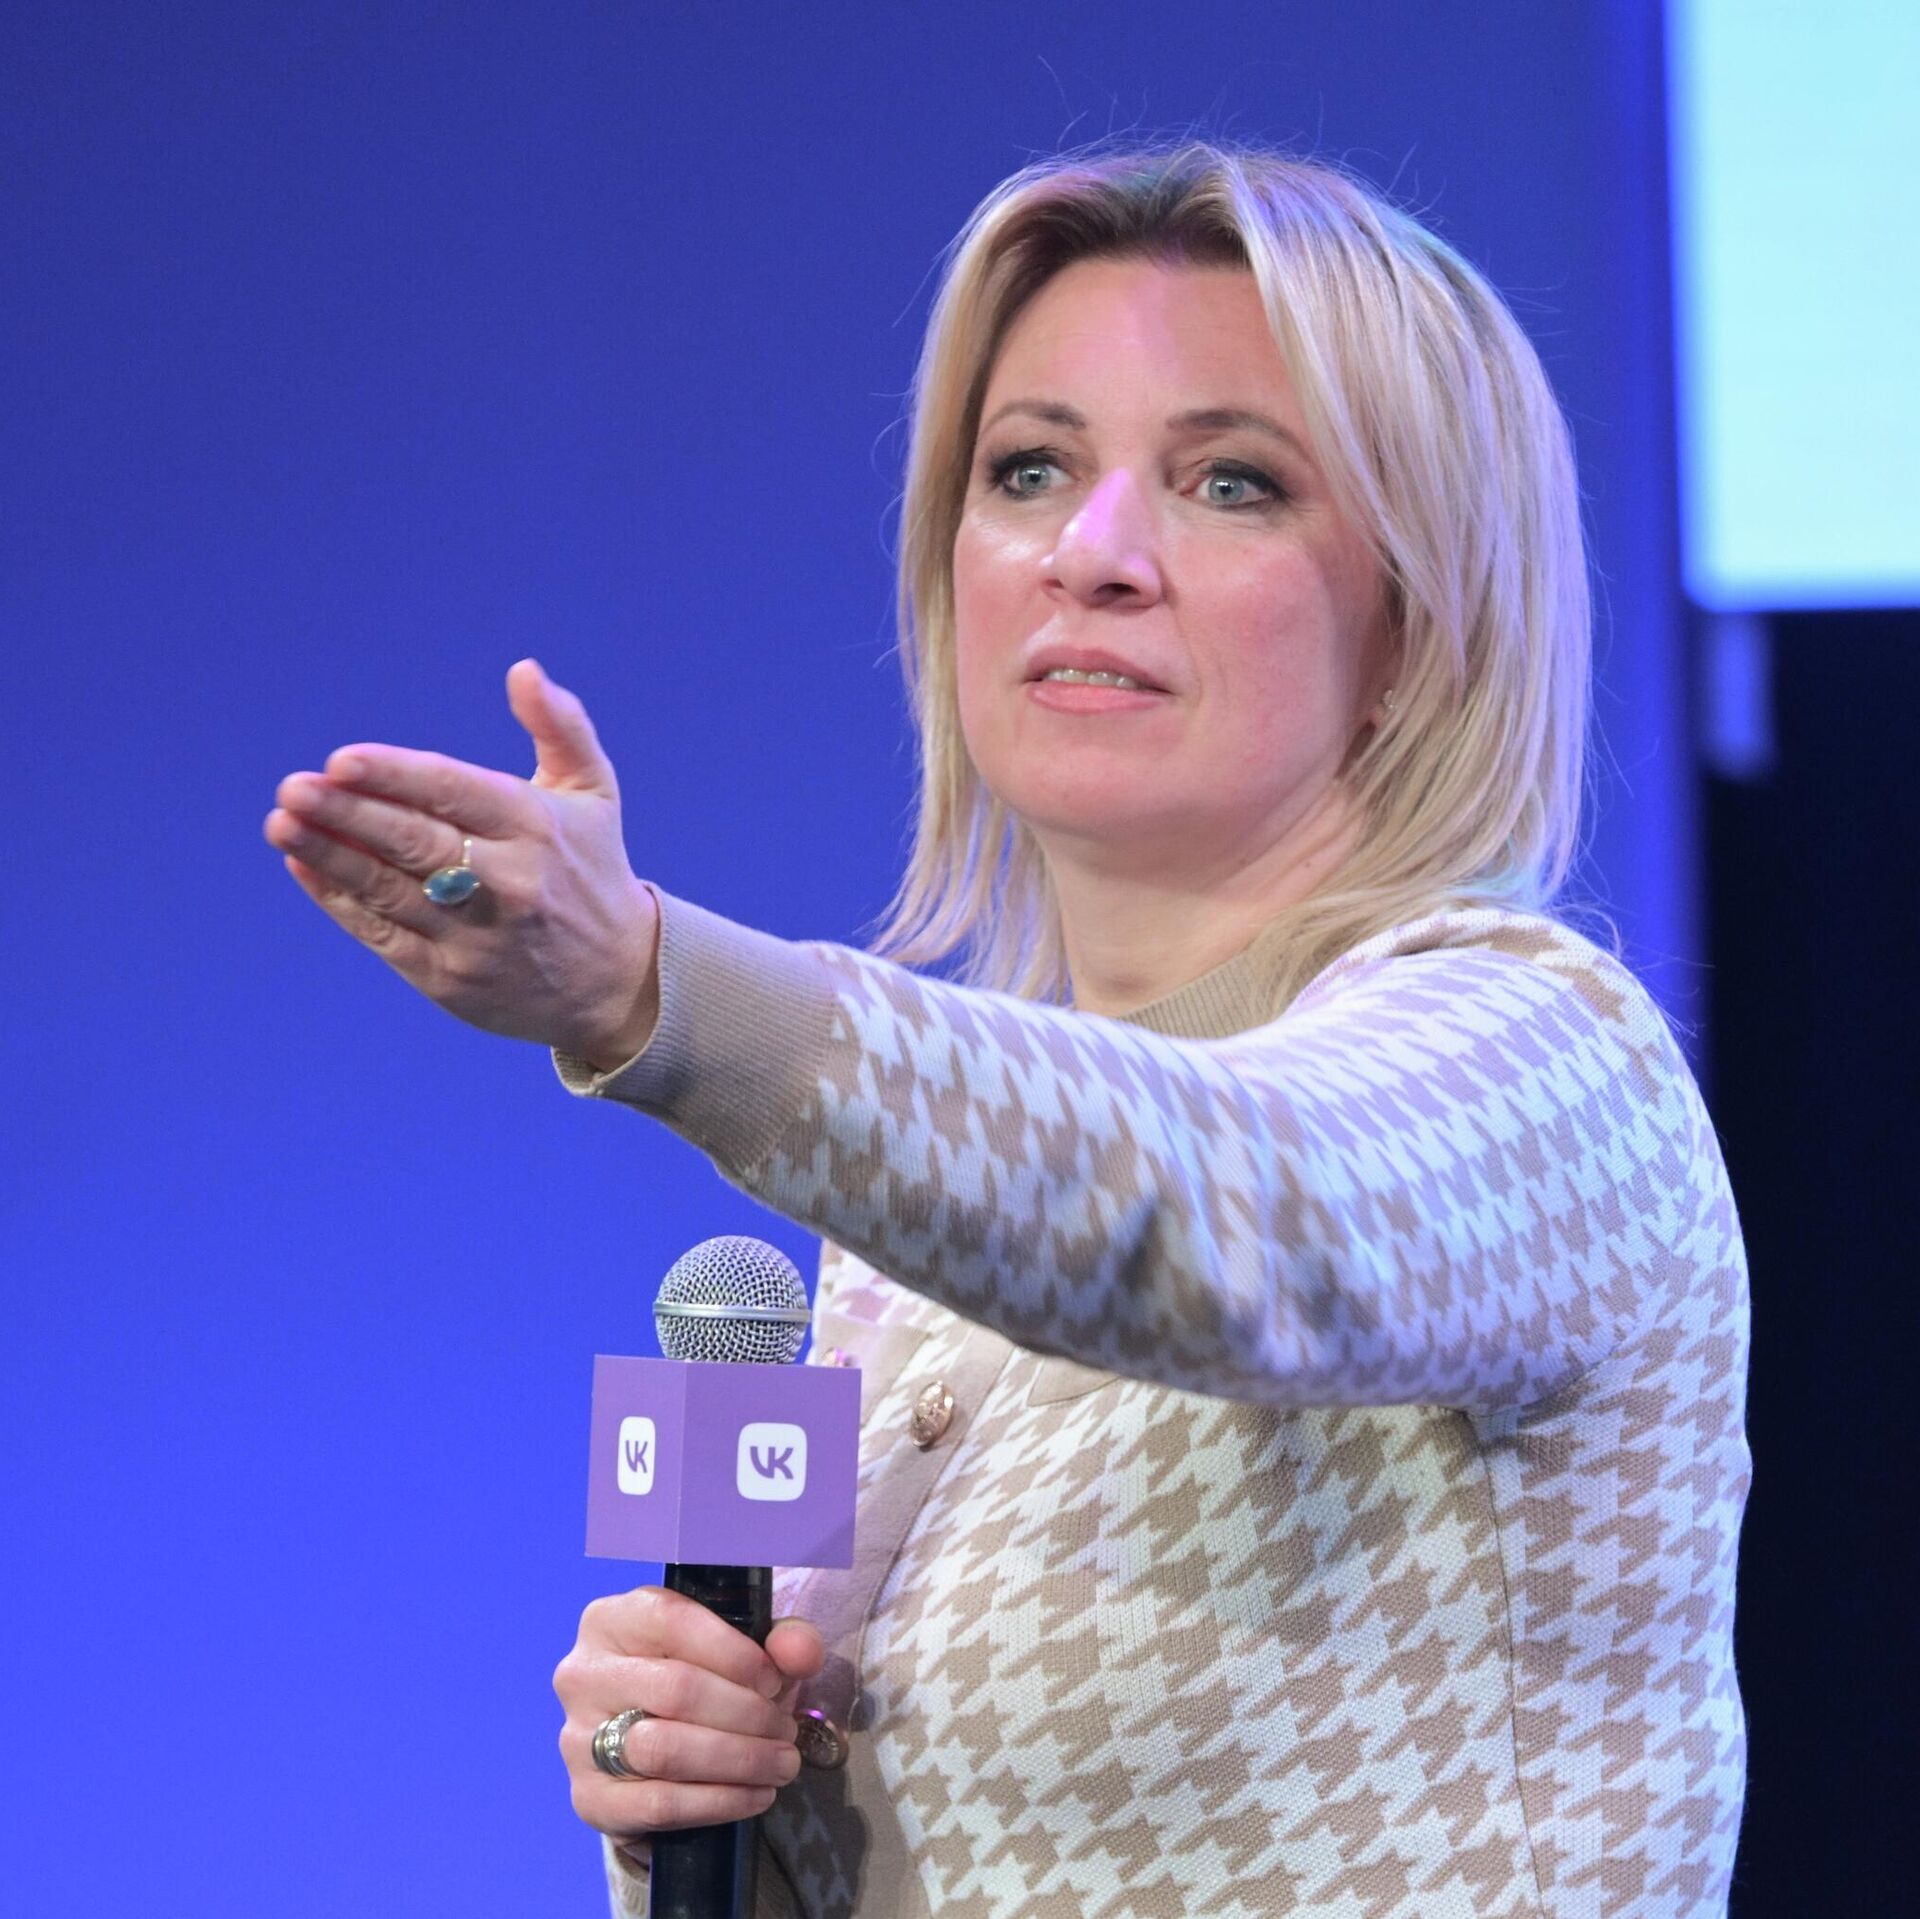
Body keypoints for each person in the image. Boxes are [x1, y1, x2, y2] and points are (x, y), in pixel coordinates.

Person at [263, 139, 1751, 1918]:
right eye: (1029, 468)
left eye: (1231, 482)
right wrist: (686, 1793)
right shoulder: (900, 1260)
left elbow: (1221, 1210)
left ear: (1420, 624)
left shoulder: (1551, 1056)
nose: (1089, 553)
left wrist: (655, 984)